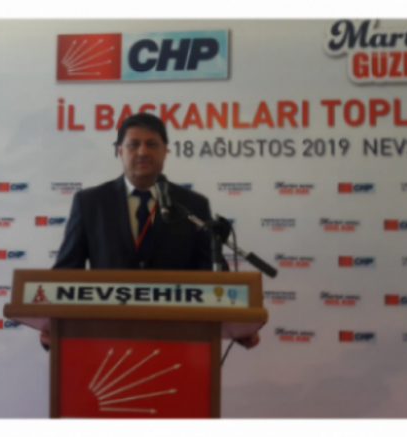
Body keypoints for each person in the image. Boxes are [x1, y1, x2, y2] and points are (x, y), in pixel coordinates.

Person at [43, 113, 259, 349]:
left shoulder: (192, 205)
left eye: (152, 144)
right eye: (134, 144)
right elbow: (66, 272)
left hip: (179, 340)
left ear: (165, 151)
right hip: (107, 338)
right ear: (119, 151)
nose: (143, 151)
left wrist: (237, 326)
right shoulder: (90, 203)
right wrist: (53, 328)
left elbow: (212, 274)